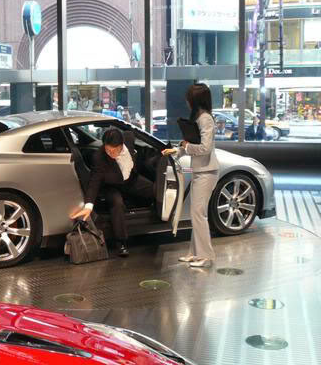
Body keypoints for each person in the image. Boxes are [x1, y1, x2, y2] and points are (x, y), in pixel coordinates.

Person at [70, 127, 156, 258]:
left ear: (121, 146)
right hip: (110, 185)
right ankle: (121, 242)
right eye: (107, 150)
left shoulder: (128, 138)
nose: (110, 153)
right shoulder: (99, 156)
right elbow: (94, 181)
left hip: (131, 179)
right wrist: (88, 205)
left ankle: (158, 218)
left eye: (114, 150)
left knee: (155, 190)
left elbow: (137, 136)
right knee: (117, 203)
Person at [162, 83, 219, 267]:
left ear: (195, 100)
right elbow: (194, 145)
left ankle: (205, 255)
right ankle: (195, 253)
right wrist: (178, 150)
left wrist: (186, 147)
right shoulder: (200, 117)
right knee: (197, 214)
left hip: (207, 172)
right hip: (201, 171)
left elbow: (205, 148)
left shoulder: (205, 119)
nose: (187, 101)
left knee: (198, 214)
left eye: (189, 98)